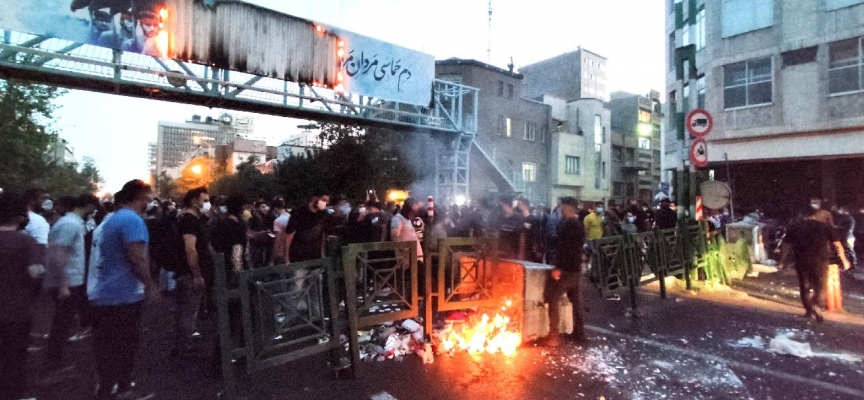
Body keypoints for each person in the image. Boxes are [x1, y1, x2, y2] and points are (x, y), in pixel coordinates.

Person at [89, 179, 159, 400]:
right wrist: (150, 285)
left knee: (109, 346)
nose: (150, 202)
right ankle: (122, 390)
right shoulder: (132, 221)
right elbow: (137, 258)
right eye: (148, 198)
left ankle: (109, 388)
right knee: (124, 345)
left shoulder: (114, 219)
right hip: (123, 295)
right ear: (140, 198)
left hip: (106, 293)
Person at [42, 194, 100, 378]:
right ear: (88, 206)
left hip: (68, 280)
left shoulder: (71, 222)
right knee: (61, 324)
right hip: (67, 281)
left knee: (63, 323)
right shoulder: (70, 224)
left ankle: (54, 364)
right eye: (93, 207)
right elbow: (59, 253)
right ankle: (52, 367)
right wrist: (63, 284)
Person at [0, 192, 45, 400]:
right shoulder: (26, 242)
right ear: (19, 216)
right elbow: (35, 273)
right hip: (17, 310)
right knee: (15, 356)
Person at [782, 207, 850, 322]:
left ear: (802, 215)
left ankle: (809, 311)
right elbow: (837, 245)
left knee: (804, 286)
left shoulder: (795, 226)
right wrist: (843, 260)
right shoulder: (826, 227)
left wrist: (782, 261)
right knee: (820, 287)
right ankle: (815, 305)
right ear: (816, 215)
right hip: (820, 261)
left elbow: (786, 246)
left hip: (801, 260)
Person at [171, 187, 212, 359]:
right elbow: (190, 249)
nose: (207, 204)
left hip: (187, 272)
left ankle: (182, 344)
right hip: (189, 274)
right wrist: (196, 275)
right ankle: (183, 347)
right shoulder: (189, 221)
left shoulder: (192, 219)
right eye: (204, 201)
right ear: (194, 201)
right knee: (188, 311)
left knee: (188, 311)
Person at [541, 197, 587, 347]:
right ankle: (580, 333)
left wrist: (558, 268)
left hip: (566, 270)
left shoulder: (569, 224)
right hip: (576, 269)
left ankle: (553, 335)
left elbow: (565, 249)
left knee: (552, 297)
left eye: (563, 206)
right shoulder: (578, 224)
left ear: (569, 208)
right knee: (576, 302)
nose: (560, 209)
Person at [284, 193, 331, 263]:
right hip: (299, 256)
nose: (326, 203)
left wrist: (323, 255)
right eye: (324, 200)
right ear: (315, 199)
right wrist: (286, 258)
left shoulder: (324, 214)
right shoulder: (299, 212)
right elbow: (289, 235)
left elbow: (323, 235)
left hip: (316, 257)